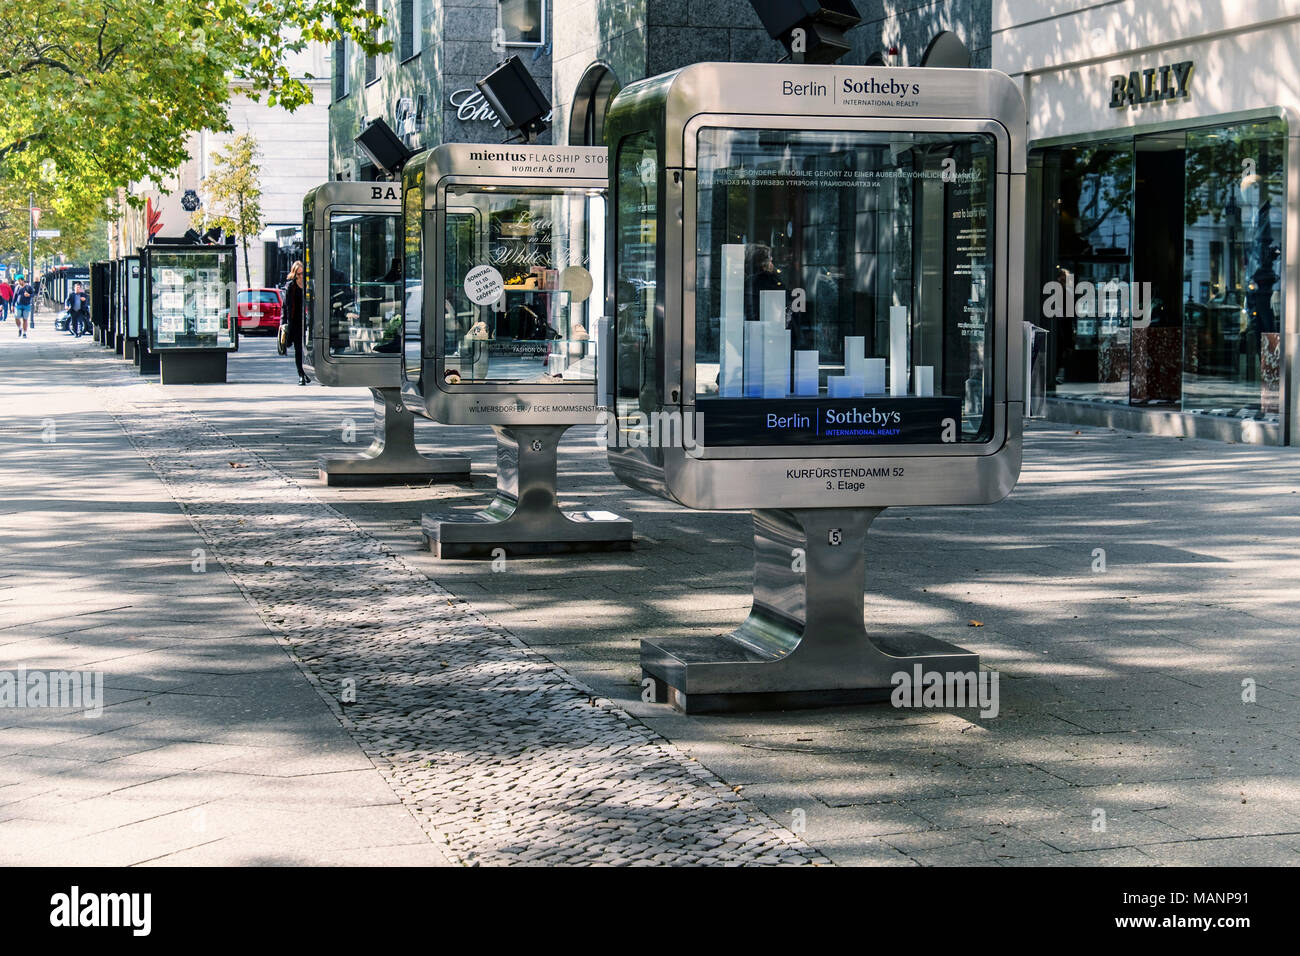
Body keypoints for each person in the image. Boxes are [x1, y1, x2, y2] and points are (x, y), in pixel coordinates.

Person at [283, 260, 309, 385]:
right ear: (294, 274)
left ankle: (307, 372)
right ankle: (301, 375)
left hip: (309, 321)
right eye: (298, 274)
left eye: (302, 273)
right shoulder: (291, 286)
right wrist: (284, 323)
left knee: (307, 349)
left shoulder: (309, 285)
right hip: (296, 322)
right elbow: (285, 307)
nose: (300, 276)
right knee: (298, 349)